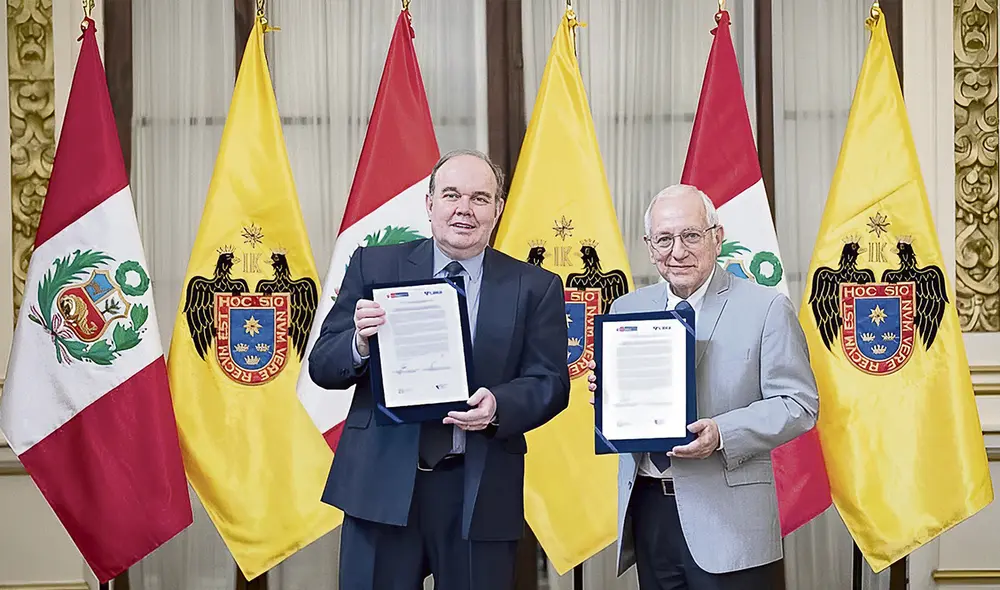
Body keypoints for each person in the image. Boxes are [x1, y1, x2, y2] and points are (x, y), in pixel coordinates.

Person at [308, 149, 570, 590]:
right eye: (451, 195)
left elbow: (551, 383)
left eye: (479, 198)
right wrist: (359, 343)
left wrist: (499, 406)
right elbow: (322, 365)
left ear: (497, 209)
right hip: (381, 485)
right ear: (429, 204)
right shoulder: (374, 265)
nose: (464, 209)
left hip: (479, 488)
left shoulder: (534, 285)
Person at [588, 184, 819, 590]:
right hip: (648, 511)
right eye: (664, 239)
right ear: (649, 246)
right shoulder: (626, 309)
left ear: (717, 237)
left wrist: (722, 433)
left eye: (691, 235)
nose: (677, 251)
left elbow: (798, 403)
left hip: (731, 522)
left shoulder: (765, 307)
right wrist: (607, 394)